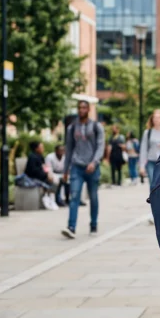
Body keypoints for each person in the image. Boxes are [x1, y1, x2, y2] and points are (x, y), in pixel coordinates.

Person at [61, 101, 104, 239]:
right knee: (74, 196)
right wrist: (65, 170)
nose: (81, 110)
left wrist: (94, 162)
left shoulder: (96, 126)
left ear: (89, 109)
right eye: (79, 108)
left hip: (92, 167)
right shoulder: (72, 127)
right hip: (76, 166)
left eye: (84, 108)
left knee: (93, 197)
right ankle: (71, 227)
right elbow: (68, 149)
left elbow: (100, 146)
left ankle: (93, 224)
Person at [139, 109, 160, 186]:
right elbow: (143, 149)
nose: (156, 120)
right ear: (152, 119)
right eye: (154, 117)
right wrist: (141, 166)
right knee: (152, 183)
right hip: (151, 162)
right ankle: (153, 198)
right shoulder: (148, 132)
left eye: (158, 117)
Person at [23, 141, 59, 210]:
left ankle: (51, 198)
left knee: (55, 179)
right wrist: (46, 175)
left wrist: (48, 173)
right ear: (36, 149)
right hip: (33, 177)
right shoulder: (32, 157)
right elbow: (33, 171)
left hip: (42, 175)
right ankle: (46, 196)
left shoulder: (40, 156)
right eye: (41, 147)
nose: (43, 149)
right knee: (52, 180)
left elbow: (44, 167)